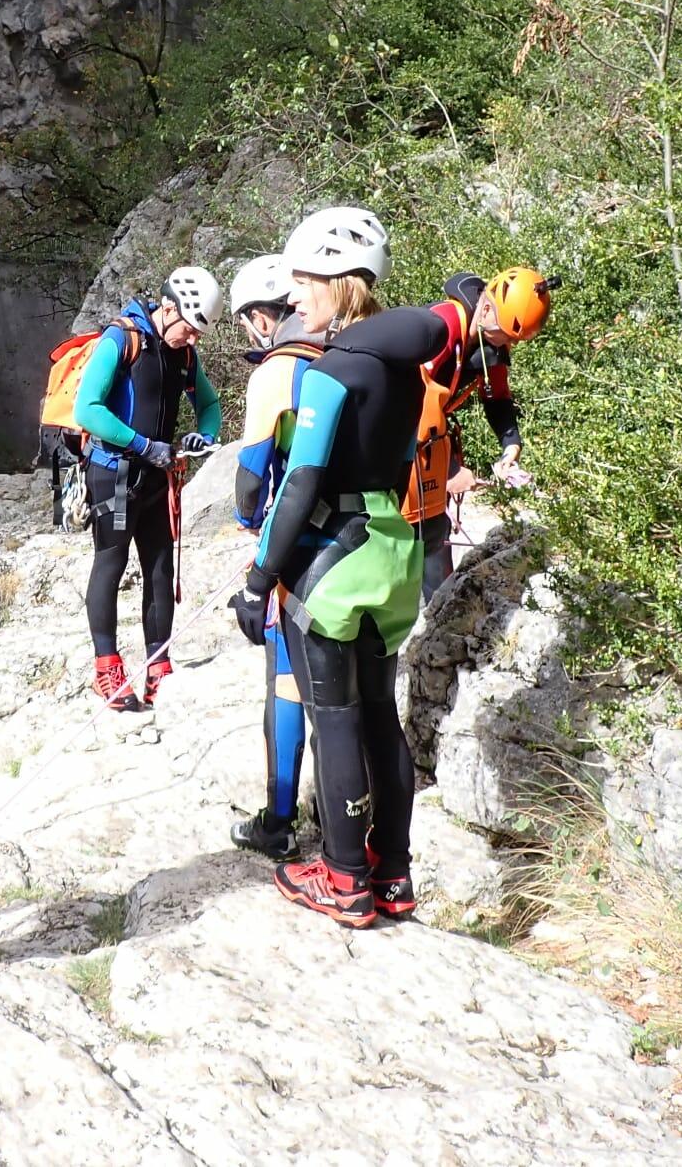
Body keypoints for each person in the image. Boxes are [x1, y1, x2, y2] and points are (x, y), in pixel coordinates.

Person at [229, 206, 466, 928]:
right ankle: (392, 876)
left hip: (332, 559)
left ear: (337, 281)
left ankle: (343, 877)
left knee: (334, 721)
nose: (293, 297)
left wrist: (258, 580)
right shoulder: (404, 369)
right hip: (391, 550)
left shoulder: (331, 372)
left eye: (304, 283)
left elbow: (301, 482)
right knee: (380, 718)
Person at [73, 267, 225, 711]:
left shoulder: (184, 355)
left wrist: (205, 435)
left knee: (159, 568)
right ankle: (107, 667)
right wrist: (142, 445)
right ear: (169, 307)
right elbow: (87, 409)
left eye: (198, 334)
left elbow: (209, 403)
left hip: (157, 474)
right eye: (189, 329)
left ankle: (159, 666)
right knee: (112, 561)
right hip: (114, 472)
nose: (191, 339)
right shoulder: (123, 340)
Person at [225, 254, 326, 859]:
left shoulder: (277, 370)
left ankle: (280, 821)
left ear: (261, 317)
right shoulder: (348, 352)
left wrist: (250, 528)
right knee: (346, 693)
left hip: (299, 550)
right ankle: (351, 829)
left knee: (288, 681)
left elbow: (250, 478)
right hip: (370, 540)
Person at [403, 268, 556, 605]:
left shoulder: (490, 342)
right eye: (507, 336)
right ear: (486, 310)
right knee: (407, 534)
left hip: (430, 442)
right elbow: (411, 402)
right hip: (401, 439)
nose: (509, 345)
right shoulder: (441, 327)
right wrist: (451, 472)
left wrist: (510, 445)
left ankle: (438, 612)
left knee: (433, 532)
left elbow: (497, 398)